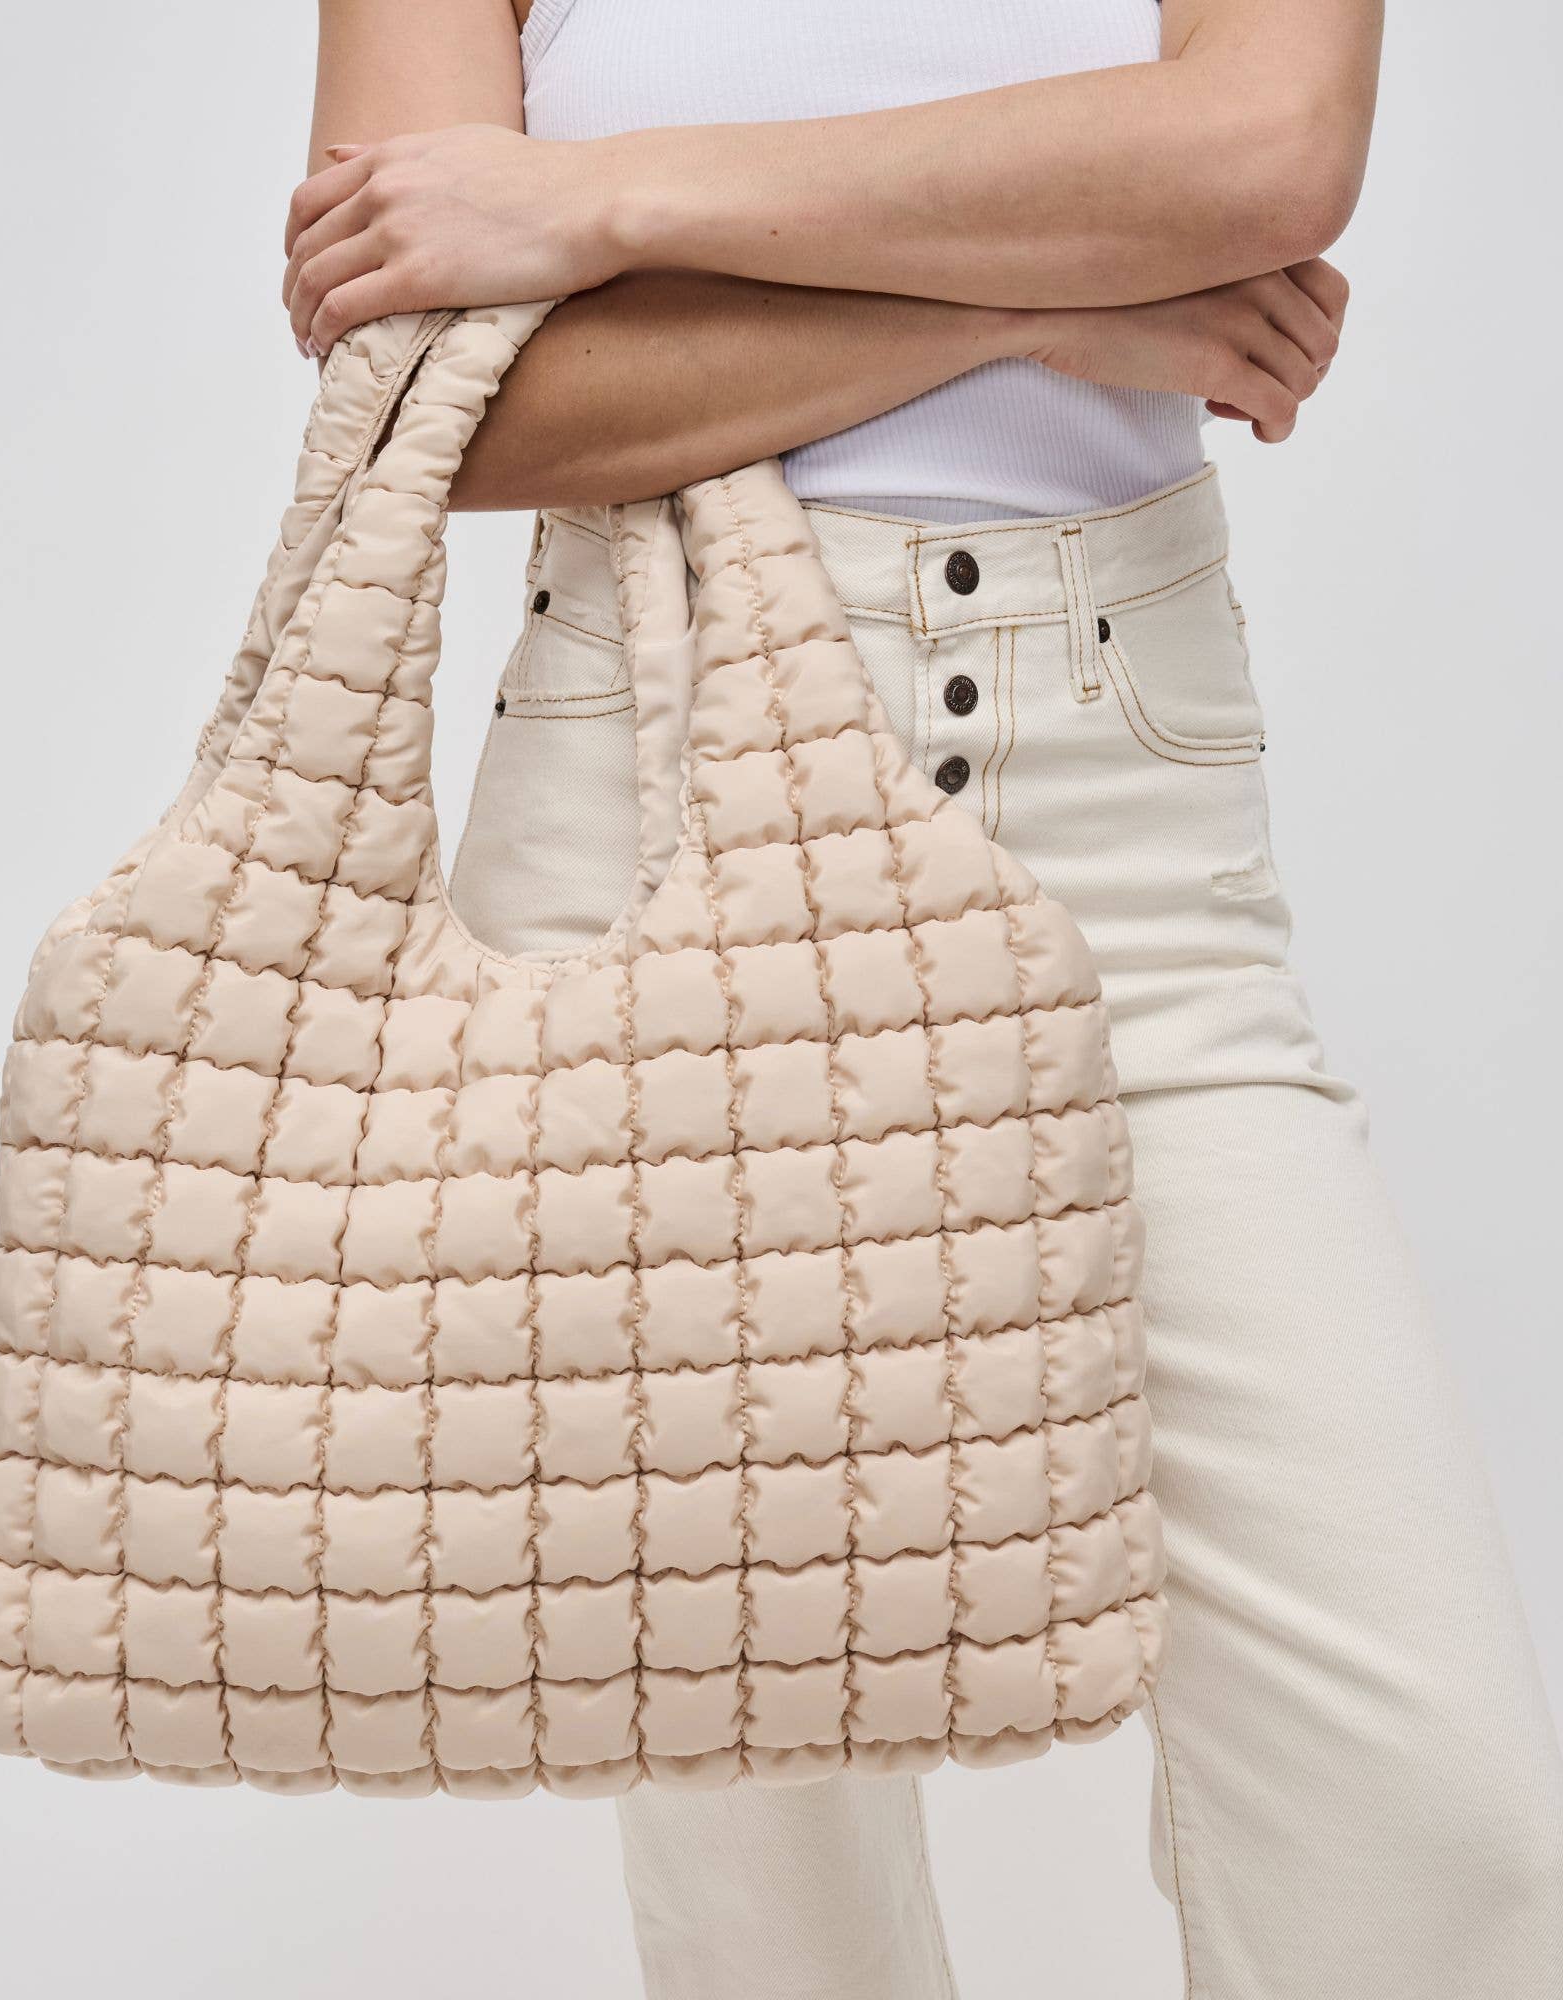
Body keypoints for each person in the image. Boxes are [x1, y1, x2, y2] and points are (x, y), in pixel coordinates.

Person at [281, 4, 1563, 1995]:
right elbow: (439, 402)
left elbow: (1262, 157)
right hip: (643, 798)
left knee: (1425, 1804)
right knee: (761, 1850)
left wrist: (597, 206)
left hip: (1114, 818)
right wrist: (1043, 301)